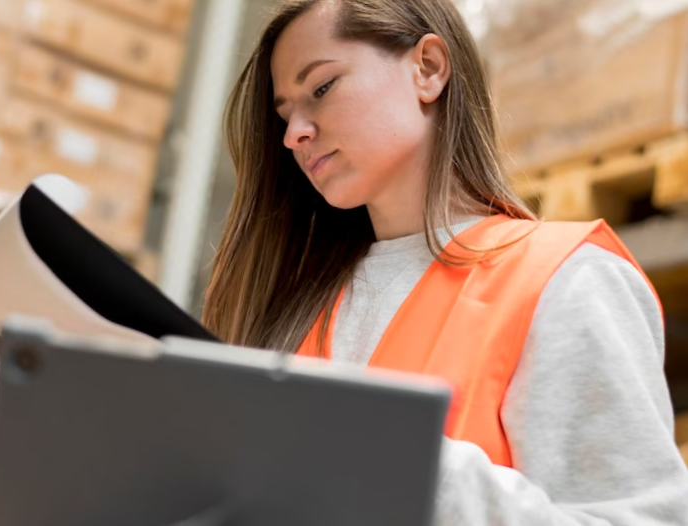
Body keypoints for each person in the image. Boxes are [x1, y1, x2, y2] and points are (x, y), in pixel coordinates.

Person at [202, 0, 688, 523]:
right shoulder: (296, 305)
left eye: (321, 88)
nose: (294, 133)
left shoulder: (564, 279)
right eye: (284, 114)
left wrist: (405, 465)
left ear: (428, 69)